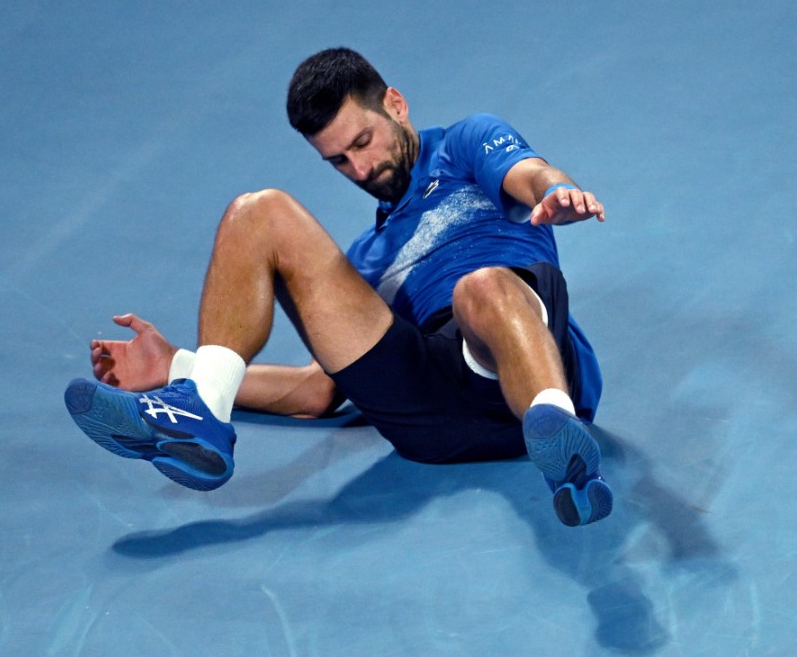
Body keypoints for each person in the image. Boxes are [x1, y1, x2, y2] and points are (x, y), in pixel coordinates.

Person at [63, 47, 613, 526]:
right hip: (438, 420)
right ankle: (201, 403)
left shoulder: (463, 146)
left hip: (516, 351)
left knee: (483, 287)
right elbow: (318, 392)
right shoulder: (366, 260)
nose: (361, 168)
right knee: (260, 212)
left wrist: (559, 192)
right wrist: (177, 366)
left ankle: (559, 441)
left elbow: (532, 175)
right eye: (339, 161)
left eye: (364, 141)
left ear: (395, 105)